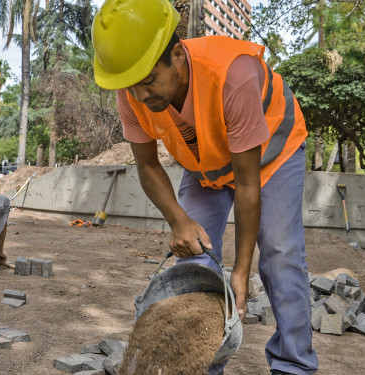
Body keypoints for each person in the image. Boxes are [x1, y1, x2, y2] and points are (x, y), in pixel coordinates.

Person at [91, 1, 317, 374]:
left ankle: (294, 365)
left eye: (150, 80)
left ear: (177, 54)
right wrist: (179, 221)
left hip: (270, 156)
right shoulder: (131, 92)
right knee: (194, 261)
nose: (142, 95)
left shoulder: (233, 75)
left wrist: (241, 271)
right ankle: (199, 364)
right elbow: (147, 165)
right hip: (206, 166)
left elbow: (247, 184)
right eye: (133, 86)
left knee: (280, 255)